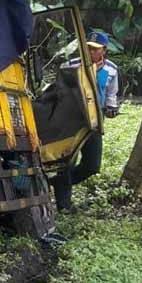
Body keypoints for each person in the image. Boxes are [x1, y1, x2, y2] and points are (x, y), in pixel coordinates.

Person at [51, 30, 120, 211]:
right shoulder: (71, 65)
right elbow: (59, 91)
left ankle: (60, 184)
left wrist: (112, 108)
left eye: (95, 49)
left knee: (92, 165)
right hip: (72, 120)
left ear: (104, 50)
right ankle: (64, 205)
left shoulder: (111, 69)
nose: (90, 52)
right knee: (67, 162)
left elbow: (111, 94)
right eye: (88, 47)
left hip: (95, 121)